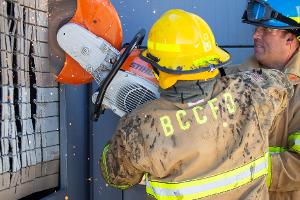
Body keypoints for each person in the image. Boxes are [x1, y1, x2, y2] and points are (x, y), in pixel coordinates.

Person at [99, 9, 294, 199]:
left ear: (156, 67)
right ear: (212, 58)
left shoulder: (137, 126)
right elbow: (284, 85)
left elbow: (116, 177)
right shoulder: (253, 90)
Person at [237, 0, 300, 199]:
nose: (255, 35)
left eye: (266, 29)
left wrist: (241, 173)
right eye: (256, 28)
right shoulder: (233, 78)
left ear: (290, 38)